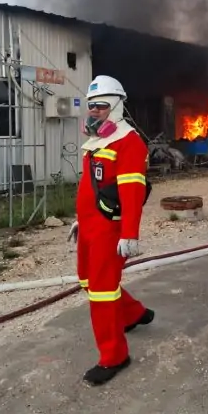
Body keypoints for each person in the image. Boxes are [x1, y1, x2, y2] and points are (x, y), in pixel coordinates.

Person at [67, 75, 155, 386]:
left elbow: (132, 193)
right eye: (91, 107)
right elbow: (92, 188)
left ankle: (114, 356)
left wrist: (130, 234)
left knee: (102, 292)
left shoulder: (129, 143)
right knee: (88, 281)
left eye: (101, 106)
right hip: (90, 226)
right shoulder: (95, 143)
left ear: (117, 106)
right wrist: (80, 219)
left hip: (110, 230)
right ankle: (133, 313)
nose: (94, 113)